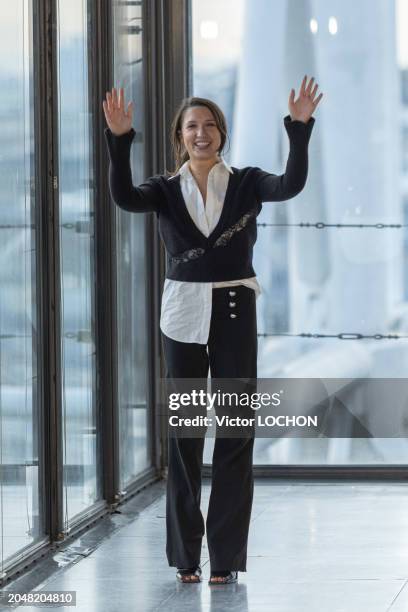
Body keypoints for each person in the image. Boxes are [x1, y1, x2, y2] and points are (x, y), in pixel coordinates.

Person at [102, 76, 323, 585]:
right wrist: (119, 142)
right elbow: (123, 198)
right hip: (181, 315)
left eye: (209, 126)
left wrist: (301, 129)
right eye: (191, 127)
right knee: (184, 436)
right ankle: (185, 555)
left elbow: (291, 184)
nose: (201, 134)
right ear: (180, 136)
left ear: (221, 132)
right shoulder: (162, 189)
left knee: (235, 433)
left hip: (233, 311)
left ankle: (224, 559)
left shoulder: (247, 182)